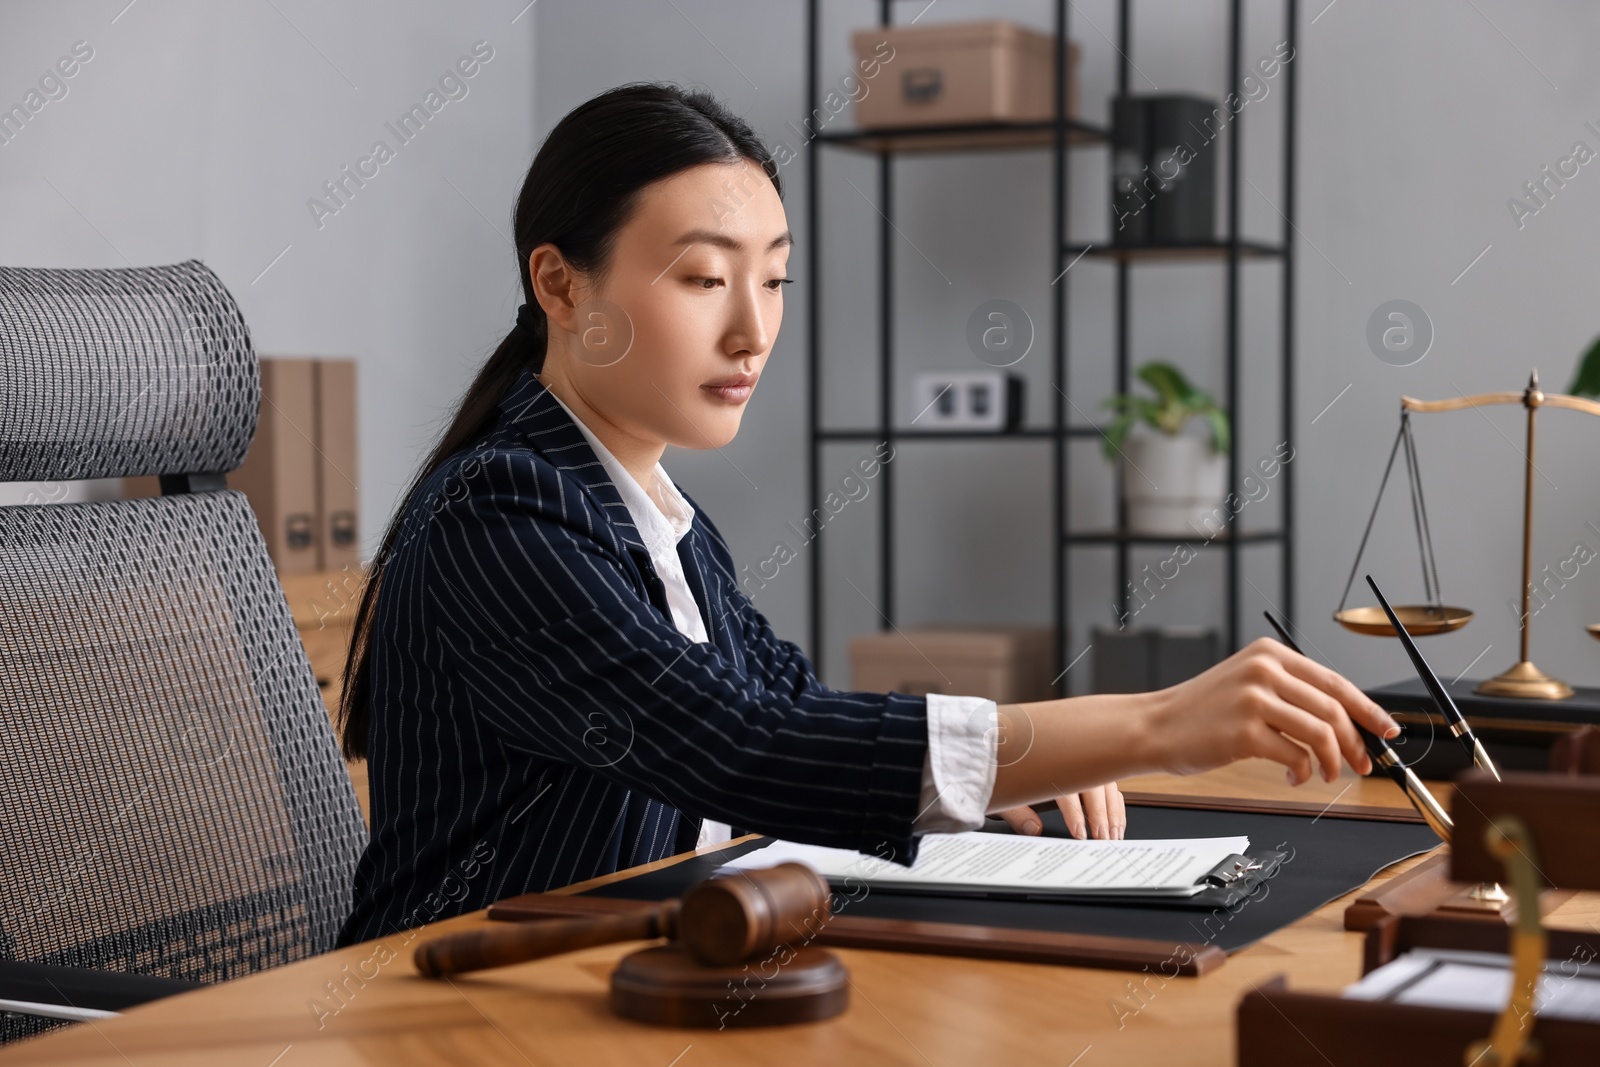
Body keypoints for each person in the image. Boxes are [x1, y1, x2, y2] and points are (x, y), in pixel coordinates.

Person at [333, 84, 1399, 947]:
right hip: (450, 1006)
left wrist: (1006, 775)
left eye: (777, 279)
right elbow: (743, 745)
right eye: (704, 277)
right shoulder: (501, 514)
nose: (754, 330)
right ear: (560, 287)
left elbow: (794, 708)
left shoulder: (659, 519)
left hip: (608, 980)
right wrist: (1156, 721)